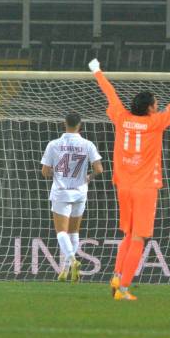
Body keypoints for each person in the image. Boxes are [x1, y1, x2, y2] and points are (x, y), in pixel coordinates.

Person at [89, 58, 170, 300]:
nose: (159, 105)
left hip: (123, 186)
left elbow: (110, 94)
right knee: (138, 238)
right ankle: (123, 289)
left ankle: (116, 275)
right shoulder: (156, 123)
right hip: (145, 189)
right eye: (156, 103)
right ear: (151, 109)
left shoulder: (122, 118)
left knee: (127, 234)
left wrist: (97, 70)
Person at [40, 112, 104, 282]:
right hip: (80, 192)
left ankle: (73, 261)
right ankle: (65, 270)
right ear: (80, 125)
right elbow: (99, 169)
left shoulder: (54, 144)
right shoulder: (87, 144)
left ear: (64, 124)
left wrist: (58, 173)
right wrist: (88, 178)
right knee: (74, 232)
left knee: (61, 231)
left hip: (61, 192)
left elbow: (45, 171)